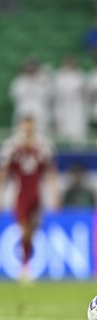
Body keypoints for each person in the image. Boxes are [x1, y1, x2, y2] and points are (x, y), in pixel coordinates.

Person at [0, 116, 60, 280]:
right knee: (24, 228)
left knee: (32, 229)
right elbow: (4, 172)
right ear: (20, 128)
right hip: (19, 193)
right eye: (25, 127)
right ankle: (25, 265)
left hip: (36, 193)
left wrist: (54, 193)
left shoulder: (43, 146)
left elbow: (50, 172)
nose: (27, 130)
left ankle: (26, 254)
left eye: (30, 127)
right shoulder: (11, 147)